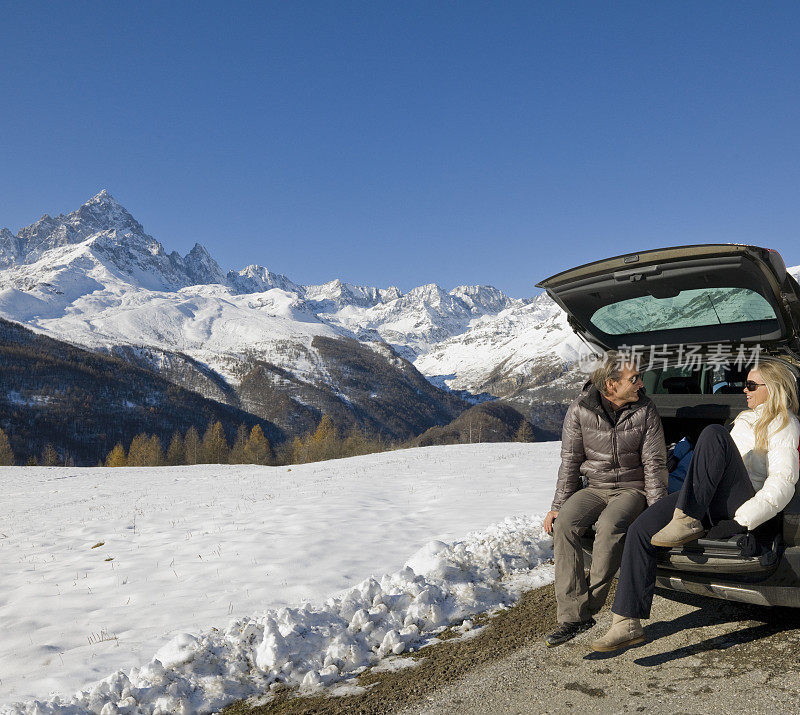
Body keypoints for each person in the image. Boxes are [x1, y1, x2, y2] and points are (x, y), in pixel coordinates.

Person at [592, 360, 800, 653]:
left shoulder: (784, 423)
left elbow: (783, 482)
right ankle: (626, 623)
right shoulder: (744, 419)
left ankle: (687, 519)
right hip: (713, 499)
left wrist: (744, 519)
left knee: (714, 433)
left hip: (743, 501)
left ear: (773, 388)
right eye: (746, 383)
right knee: (641, 529)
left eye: (752, 385)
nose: (744, 389)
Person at [543, 353, 668, 647]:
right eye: (634, 379)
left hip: (631, 488)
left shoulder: (645, 410)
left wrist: (658, 510)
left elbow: (654, 463)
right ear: (611, 384)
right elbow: (570, 461)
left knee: (610, 527)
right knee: (564, 525)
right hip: (595, 487)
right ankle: (573, 617)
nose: (641, 383)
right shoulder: (580, 409)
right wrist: (557, 507)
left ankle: (584, 610)